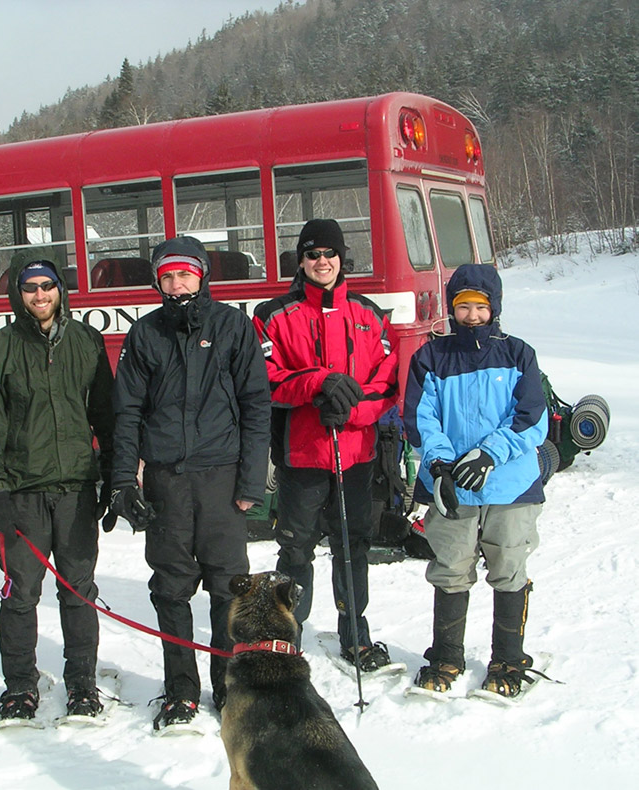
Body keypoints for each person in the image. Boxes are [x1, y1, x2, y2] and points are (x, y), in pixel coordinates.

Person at [109, 236, 270, 732]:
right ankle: (180, 690)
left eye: (185, 274)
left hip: (222, 480)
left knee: (228, 588)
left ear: (201, 276)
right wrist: (123, 479)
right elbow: (127, 413)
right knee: (171, 589)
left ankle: (228, 686)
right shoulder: (145, 333)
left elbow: (256, 406)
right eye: (168, 276)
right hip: (167, 482)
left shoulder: (232, 327)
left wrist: (251, 482)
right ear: (158, 282)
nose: (177, 284)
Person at [0, 259, 115, 723]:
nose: (39, 295)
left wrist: (114, 478)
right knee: (21, 593)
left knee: (78, 590)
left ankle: (82, 684)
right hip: (23, 492)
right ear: (18, 294)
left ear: (59, 290)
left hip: (75, 489)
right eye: (30, 287)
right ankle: (19, 686)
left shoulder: (87, 341)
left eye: (47, 285)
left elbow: (106, 414)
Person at [252, 219, 400, 669]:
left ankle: (355, 634)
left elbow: (388, 383)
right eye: (312, 254)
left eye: (329, 253)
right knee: (295, 547)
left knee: (352, 546)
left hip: (355, 453)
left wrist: (350, 410)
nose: (322, 262)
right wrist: (317, 384)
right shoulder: (273, 315)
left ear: (342, 258)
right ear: (301, 261)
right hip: (302, 454)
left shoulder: (370, 315)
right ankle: (287, 636)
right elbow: (265, 380)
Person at [403, 263, 547, 698]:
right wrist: (441, 465)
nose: (471, 315)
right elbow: (421, 418)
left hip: (510, 485)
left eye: (480, 307)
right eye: (463, 307)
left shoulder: (518, 355)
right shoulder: (431, 357)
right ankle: (446, 656)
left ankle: (508, 659)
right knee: (451, 568)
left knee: (508, 566)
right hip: (453, 486)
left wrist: (489, 454)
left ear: (494, 308)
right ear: (452, 308)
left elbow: (532, 418)